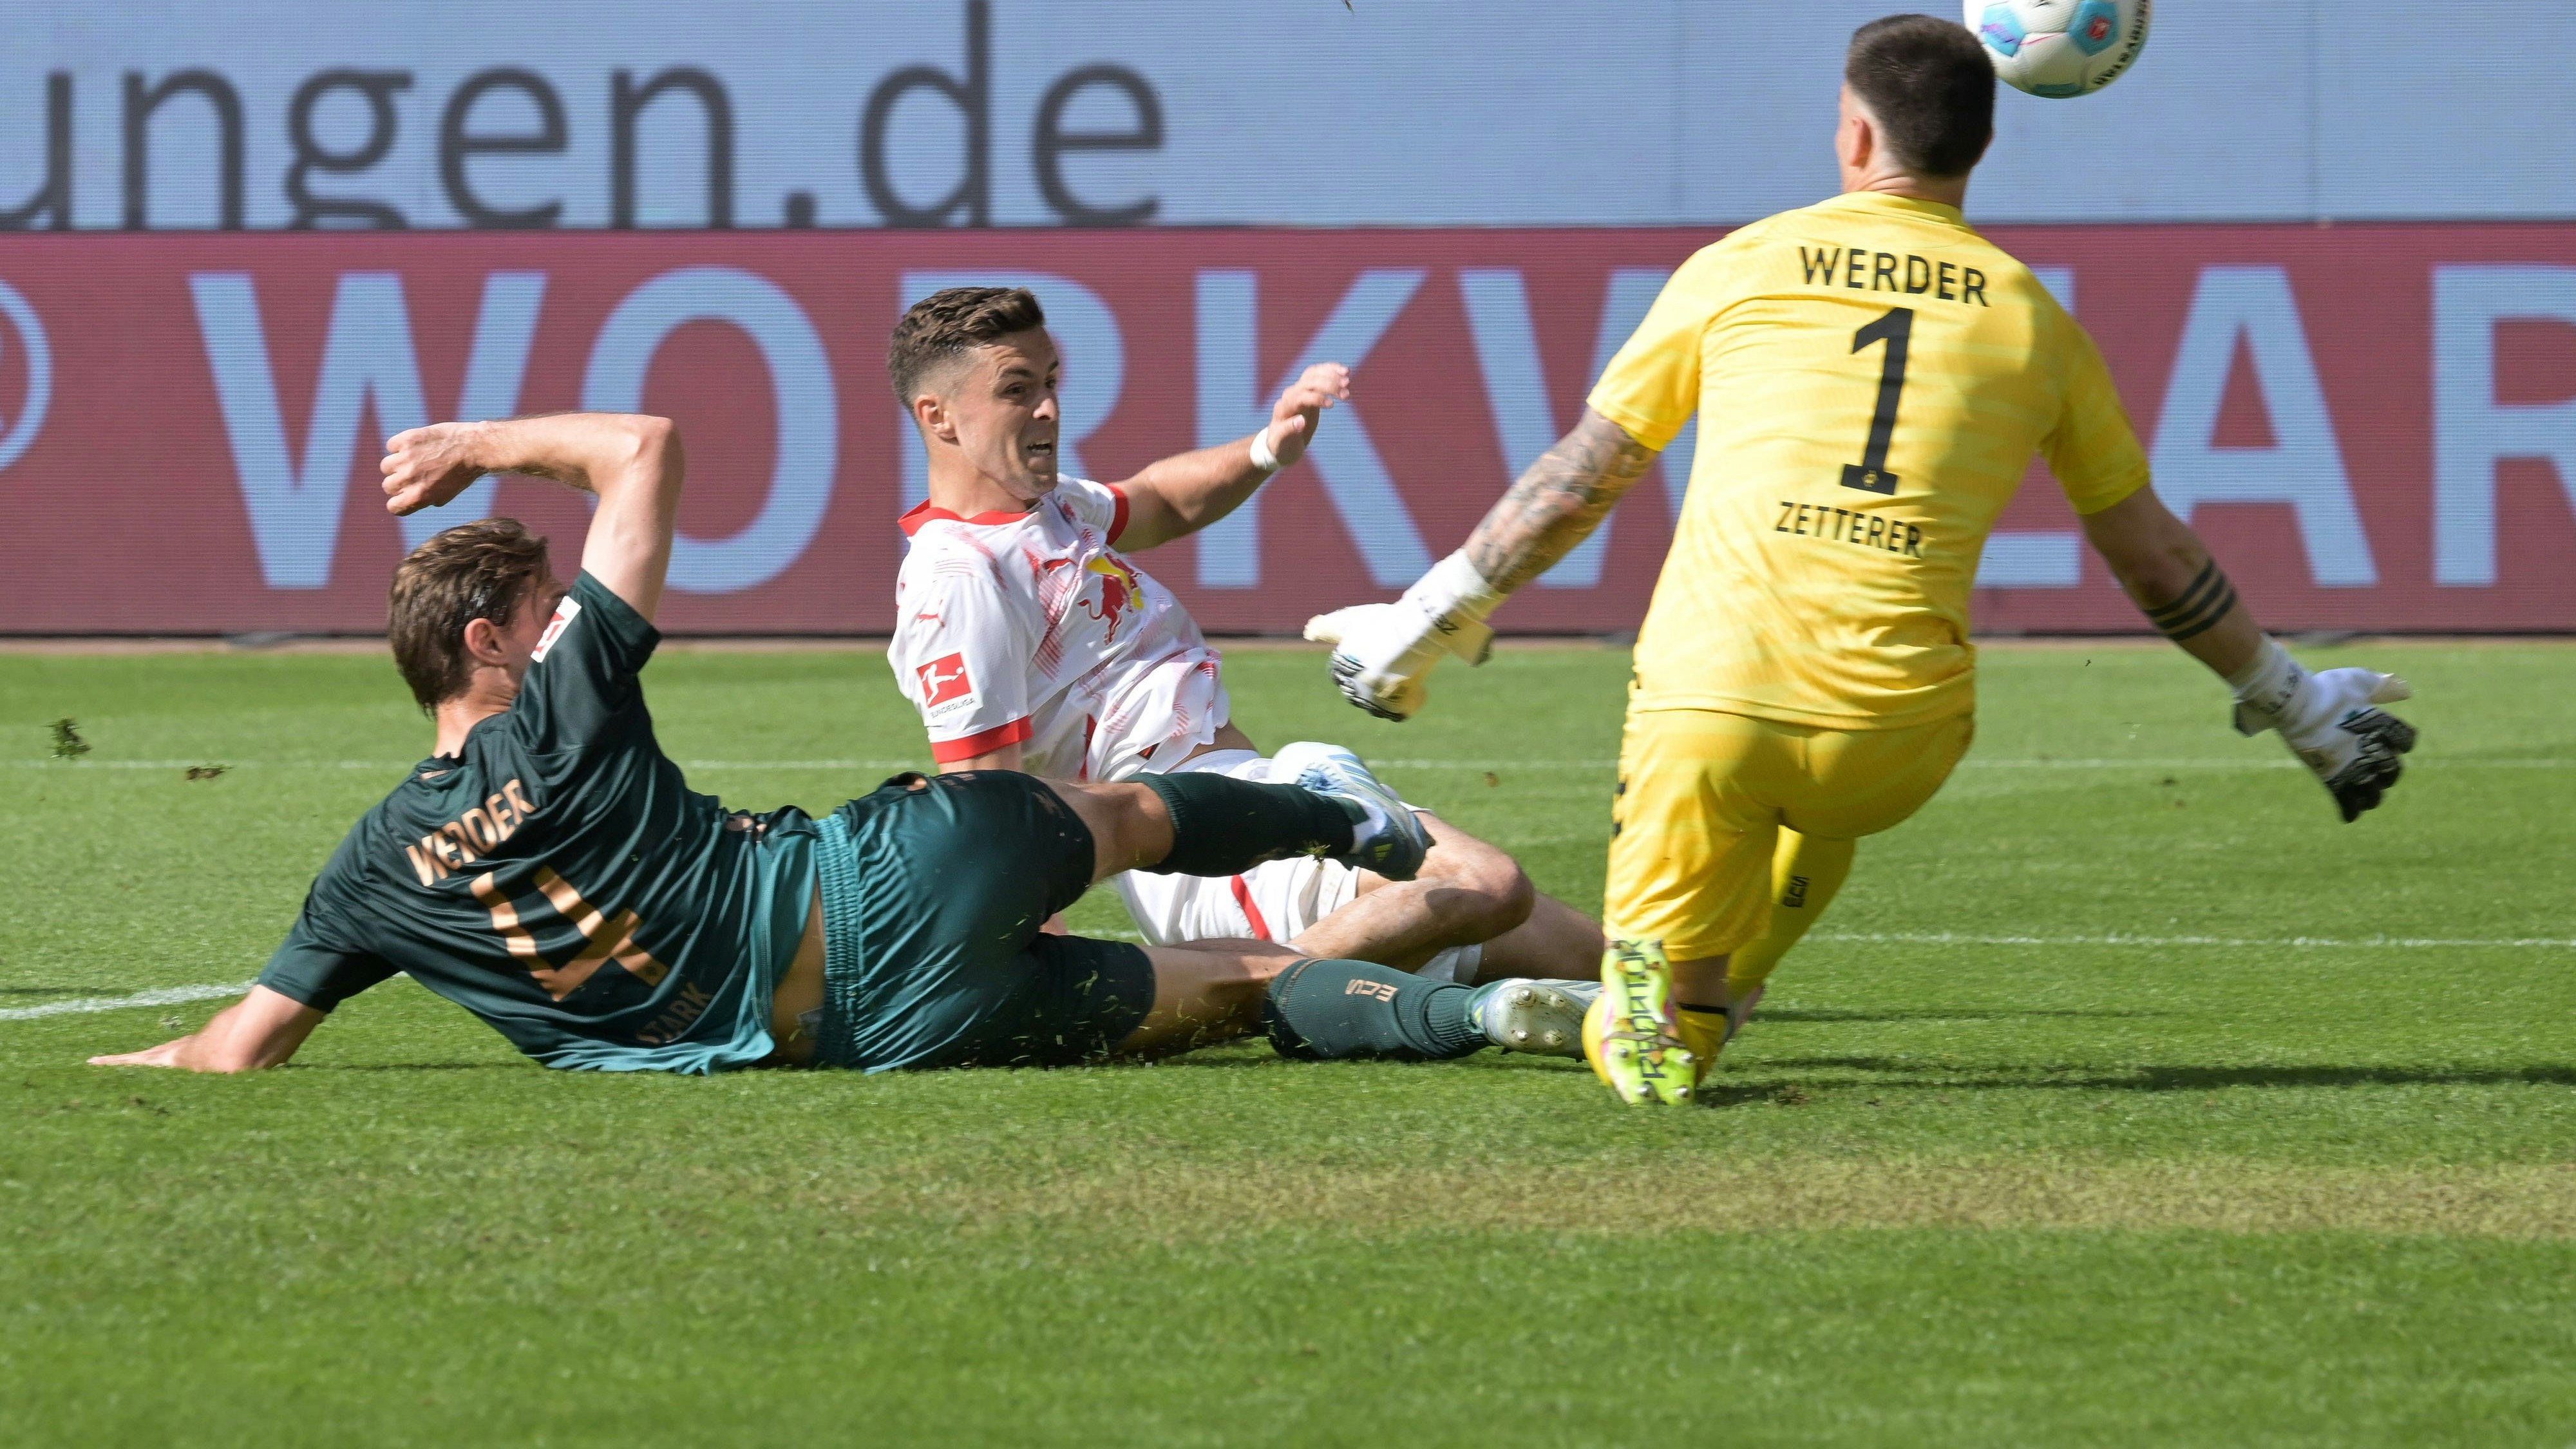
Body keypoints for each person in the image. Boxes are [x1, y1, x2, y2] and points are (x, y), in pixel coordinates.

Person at [1307, 14, 2419, 1106]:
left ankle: (1663, 1017)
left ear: (1852, 136)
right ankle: (1726, 991)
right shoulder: (2036, 323)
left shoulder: (1741, 264)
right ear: (1982, 146)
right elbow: (2155, 559)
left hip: (1711, 715)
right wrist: (2299, 706)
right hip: (1901, 735)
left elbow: (1578, 481)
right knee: (1816, 806)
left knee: (1645, 1035)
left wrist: (1421, 620)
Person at [88, 413, 1544, 1076]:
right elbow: (644, 447)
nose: (564, 612)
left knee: (1250, 995)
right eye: (541, 603)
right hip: (885, 871)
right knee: (1123, 819)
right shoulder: (567, 695)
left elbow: (230, 1050)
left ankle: (1470, 1023)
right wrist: (476, 442)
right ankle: (1330, 813)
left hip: (862, 1035)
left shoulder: (366, 876)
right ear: (490, 643)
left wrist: (105, 1073)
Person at [879, 285, 1603, 1055]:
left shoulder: (1047, 510)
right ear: (939, 416)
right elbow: (992, 805)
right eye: (1017, 391)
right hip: (1207, 852)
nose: (1049, 409)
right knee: (1489, 884)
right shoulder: (957, 578)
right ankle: (1268, 990)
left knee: (1633, 975)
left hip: (1244, 797)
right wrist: (1043, 967)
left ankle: (1336, 990)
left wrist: (1268, 448)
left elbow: (1159, 501)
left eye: (1051, 381)